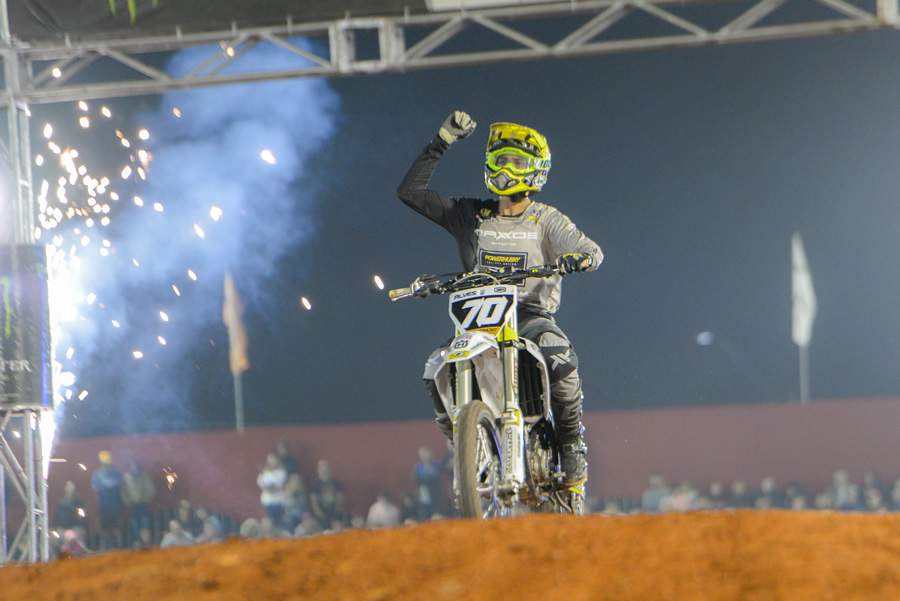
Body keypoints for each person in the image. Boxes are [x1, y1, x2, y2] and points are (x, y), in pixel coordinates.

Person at [397, 111, 603, 498]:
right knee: (434, 369)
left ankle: (572, 440)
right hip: (476, 317)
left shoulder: (546, 220)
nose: (508, 168)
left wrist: (582, 258)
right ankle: (465, 445)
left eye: (518, 162)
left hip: (528, 315)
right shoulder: (471, 215)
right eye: (503, 159)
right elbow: (411, 193)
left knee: (558, 354)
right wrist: (442, 140)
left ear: (536, 171)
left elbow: (591, 249)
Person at [90, 450, 124, 550]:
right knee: (104, 527)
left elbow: (118, 483)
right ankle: (105, 545)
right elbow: (95, 486)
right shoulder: (97, 474)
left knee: (116, 527)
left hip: (114, 504)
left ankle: (118, 545)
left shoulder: (115, 473)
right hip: (104, 504)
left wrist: (105, 486)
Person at [121, 460, 156, 544]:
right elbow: (123, 492)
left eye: (135, 466)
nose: (134, 468)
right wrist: (128, 502)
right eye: (132, 466)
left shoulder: (145, 476)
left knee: (145, 523)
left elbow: (151, 489)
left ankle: (146, 542)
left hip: (143, 504)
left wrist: (145, 499)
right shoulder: (126, 478)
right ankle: (136, 541)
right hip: (132, 505)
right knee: (134, 524)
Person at [309, 459, 345, 528]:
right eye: (322, 468)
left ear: (329, 469)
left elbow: (340, 502)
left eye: (326, 468)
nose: (324, 470)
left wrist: (335, 516)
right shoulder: (314, 485)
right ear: (318, 470)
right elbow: (314, 504)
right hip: (320, 517)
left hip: (335, 515)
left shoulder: (337, 484)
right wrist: (322, 517)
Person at [412, 446, 444, 519]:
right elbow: (416, 479)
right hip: (423, 497)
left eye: (425, 454)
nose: (424, 457)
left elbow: (436, 477)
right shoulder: (418, 468)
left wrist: (425, 479)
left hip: (436, 497)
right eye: (421, 455)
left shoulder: (436, 465)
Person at [257, 453, 288, 525]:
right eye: (269, 461)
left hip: (279, 502)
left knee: (280, 523)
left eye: (273, 460)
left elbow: (275, 487)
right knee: (270, 523)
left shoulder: (281, 472)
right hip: (267, 502)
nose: (271, 462)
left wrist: (269, 487)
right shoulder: (264, 472)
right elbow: (260, 483)